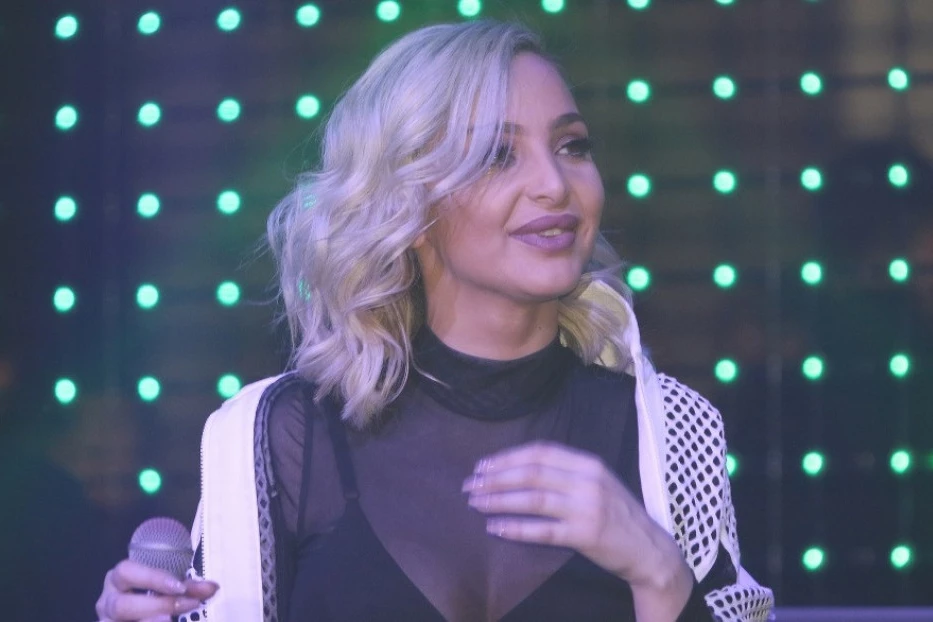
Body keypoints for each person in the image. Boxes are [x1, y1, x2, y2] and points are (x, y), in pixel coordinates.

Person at [96, 20, 774, 621]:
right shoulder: (281, 436)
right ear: (409, 205)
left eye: (571, 146)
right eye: (498, 155)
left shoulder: (667, 430)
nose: (554, 184)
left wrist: (658, 573)